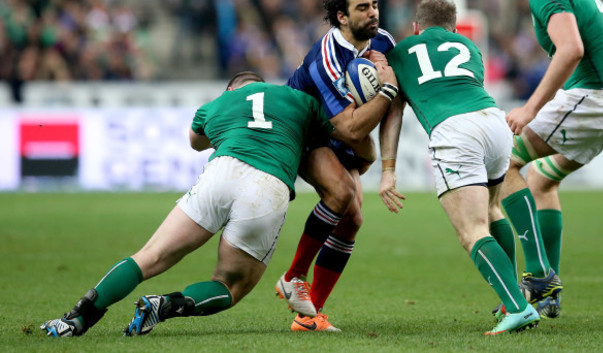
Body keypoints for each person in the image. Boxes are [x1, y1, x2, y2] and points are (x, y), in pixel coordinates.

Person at [40, 71, 376, 337]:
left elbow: (196, 141)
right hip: (268, 185)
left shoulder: (216, 104)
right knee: (232, 284)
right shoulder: (298, 100)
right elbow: (347, 136)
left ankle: (76, 319)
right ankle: (165, 305)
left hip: (223, 171)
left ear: (232, 89)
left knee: (149, 256)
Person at [492, 0, 603, 318]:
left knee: (506, 161)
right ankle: (548, 292)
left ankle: (539, 275)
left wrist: (530, 108)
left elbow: (572, 49)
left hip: (597, 97)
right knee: (541, 180)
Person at [378, 0, 539, 335]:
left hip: (454, 130)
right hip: (493, 121)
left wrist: (388, 170)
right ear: (452, 27)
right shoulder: (467, 45)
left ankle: (517, 306)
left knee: (471, 231)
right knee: (494, 210)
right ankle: (507, 299)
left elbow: (394, 112)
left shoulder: (401, 52)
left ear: (416, 27)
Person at [276, 0, 398, 332]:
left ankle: (308, 317)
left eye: (374, 4)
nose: (373, 12)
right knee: (342, 192)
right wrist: (386, 92)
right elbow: (348, 126)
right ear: (341, 17)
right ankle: (293, 275)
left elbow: (394, 104)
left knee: (353, 220)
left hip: (338, 131)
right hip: (305, 128)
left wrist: (383, 160)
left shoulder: (384, 43)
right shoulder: (327, 56)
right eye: (362, 8)